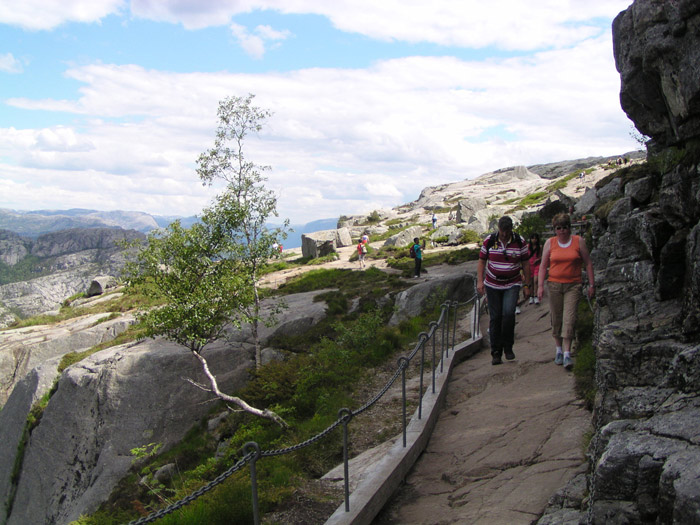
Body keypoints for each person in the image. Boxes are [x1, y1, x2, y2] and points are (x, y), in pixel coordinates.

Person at [537, 213, 595, 370]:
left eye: (565, 227)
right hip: (554, 284)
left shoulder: (578, 241)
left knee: (569, 317)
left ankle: (568, 353)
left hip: (573, 285)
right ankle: (558, 350)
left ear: (569, 228)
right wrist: (540, 286)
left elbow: (588, 263)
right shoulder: (550, 243)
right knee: (556, 317)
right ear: (555, 229)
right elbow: (543, 265)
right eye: (558, 228)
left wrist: (591, 284)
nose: (562, 231)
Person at [477, 216, 530, 365]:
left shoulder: (520, 241)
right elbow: (482, 261)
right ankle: (496, 352)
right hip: (492, 285)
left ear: (511, 229)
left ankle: (508, 347)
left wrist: (527, 285)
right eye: (502, 231)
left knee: (508, 314)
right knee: (495, 317)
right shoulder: (489, 240)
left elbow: (526, 264)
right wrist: (480, 281)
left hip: (512, 284)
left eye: (507, 231)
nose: (504, 235)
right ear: (498, 229)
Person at [528, 232, 542, 305]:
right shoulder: (528, 247)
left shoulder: (539, 247)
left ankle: (536, 295)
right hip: (529, 265)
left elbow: (541, 256)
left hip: (536, 265)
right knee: (530, 281)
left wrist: (538, 259)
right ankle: (531, 296)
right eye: (533, 238)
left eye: (535, 238)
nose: (534, 240)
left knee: (535, 280)